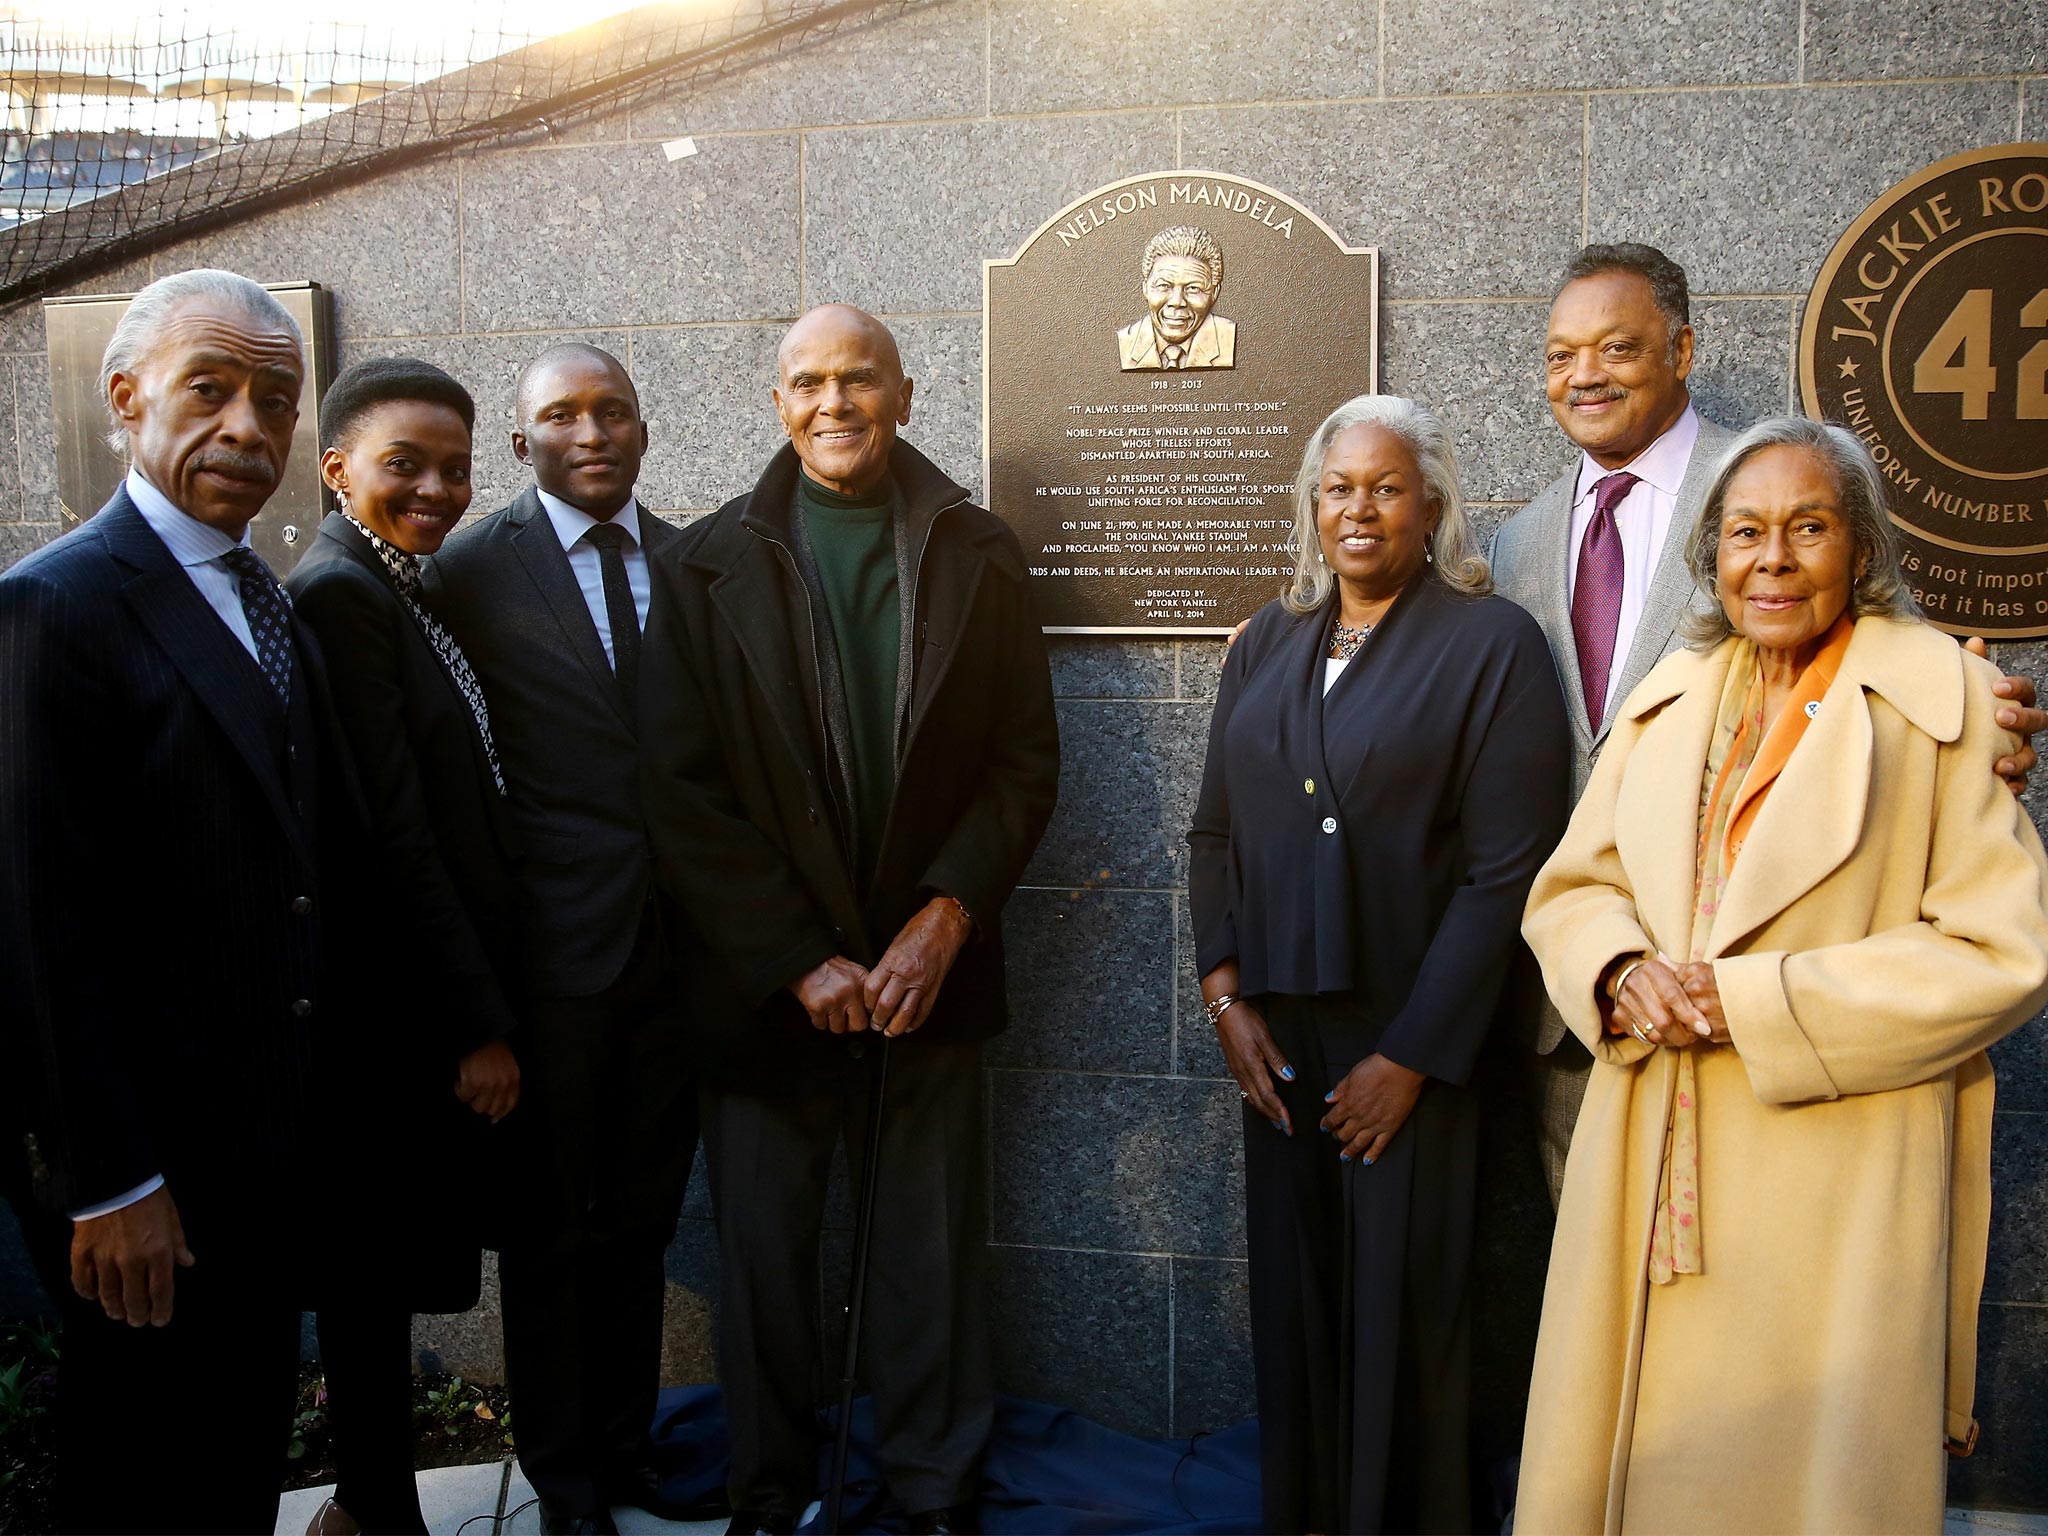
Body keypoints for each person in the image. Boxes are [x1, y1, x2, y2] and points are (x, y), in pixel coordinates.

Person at [1515, 419, 2048, 1533]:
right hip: (1649, 1161)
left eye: (1807, 528)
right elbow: (1572, 889)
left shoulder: (1944, 703)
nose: (1771, 558)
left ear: (1858, 551)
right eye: (1745, 531)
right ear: (1708, 555)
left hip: (1833, 1179)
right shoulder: (1665, 696)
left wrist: (1751, 1002)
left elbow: (2002, 953)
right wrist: (1614, 971)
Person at [1489, 241, 2045, 1202]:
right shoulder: (1519, 538)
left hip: (1804, 1060)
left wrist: (1975, 714)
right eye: (1560, 354)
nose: (1585, 376)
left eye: (1617, 348)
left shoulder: (1774, 478)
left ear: (1684, 348)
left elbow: (1888, 658)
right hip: (1594, 1014)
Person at [641, 304, 1059, 1536]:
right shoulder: (704, 563)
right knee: (765, 1270)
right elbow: (678, 790)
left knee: (928, 1262)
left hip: (928, 980)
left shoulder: (979, 551)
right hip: (769, 991)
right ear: (777, 402)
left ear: (906, 394)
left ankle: (930, 1492)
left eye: (858, 380)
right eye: (808, 382)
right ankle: (766, 1497)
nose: (834, 403)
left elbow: (1022, 764)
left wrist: (946, 918)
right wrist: (788, 959)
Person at [0, 268, 362, 1533]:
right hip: (146, 1175)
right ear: (125, 399)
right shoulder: (56, 605)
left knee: (230, 1458)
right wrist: (107, 1181)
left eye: (275, 398)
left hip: (265, 1154)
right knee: (143, 1469)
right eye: (210, 390)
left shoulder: (269, 597)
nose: (250, 429)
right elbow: (38, 928)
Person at [1188, 394, 1570, 1534]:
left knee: (1407, 1318)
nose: (1359, 508)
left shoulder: (1489, 644)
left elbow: (1506, 871)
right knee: (1297, 1308)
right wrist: (1222, 998)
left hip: (1410, 1046)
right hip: (1274, 1041)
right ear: (1312, 506)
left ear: (1431, 507)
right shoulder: (1266, 639)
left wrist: (1407, 1056)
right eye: (1338, 487)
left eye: (1385, 487)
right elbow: (1212, 834)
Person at [428, 344, 699, 1536]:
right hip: (548, 964)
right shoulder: (471, 570)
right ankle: (563, 1478)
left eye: (612, 412)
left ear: (642, 429)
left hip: (674, 960)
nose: (590, 433)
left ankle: (628, 1450)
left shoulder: (691, 560)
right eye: (560, 416)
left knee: (640, 1221)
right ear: (521, 442)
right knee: (550, 1236)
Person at [284, 357, 523, 1536]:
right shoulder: (340, 595)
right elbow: (393, 833)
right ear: (335, 470)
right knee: (366, 1285)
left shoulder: (396, 585)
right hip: (389, 1024)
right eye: (404, 465)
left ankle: (365, 1509)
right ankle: (375, 1515)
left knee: (375, 1279)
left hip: (409, 1006)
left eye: (454, 469)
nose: (436, 488)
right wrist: (474, 1026)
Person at [1116, 225, 1237, 370]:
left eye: (1193, 288)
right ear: (1145, 288)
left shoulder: (1229, 338)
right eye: (1163, 286)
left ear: (1214, 293)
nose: (1177, 302)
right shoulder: (1126, 341)